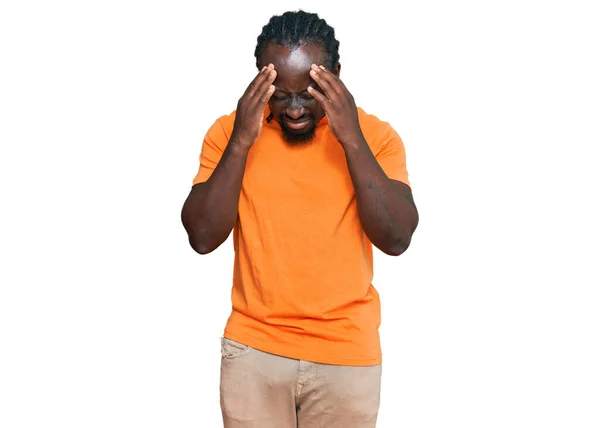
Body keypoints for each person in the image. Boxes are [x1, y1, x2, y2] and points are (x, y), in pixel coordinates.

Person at [181, 10, 419, 428]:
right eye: (279, 93)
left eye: (308, 93)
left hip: (345, 357)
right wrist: (241, 142)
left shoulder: (375, 136)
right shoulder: (230, 132)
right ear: (260, 80)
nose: (293, 110)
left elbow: (397, 238)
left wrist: (351, 139)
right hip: (254, 353)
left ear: (336, 76)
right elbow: (201, 236)